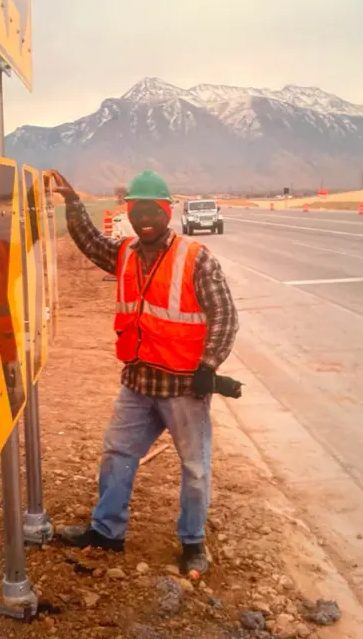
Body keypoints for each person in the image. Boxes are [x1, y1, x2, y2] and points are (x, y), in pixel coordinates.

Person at [52, 169, 239, 576]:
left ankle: (192, 543)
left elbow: (224, 315)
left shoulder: (196, 258)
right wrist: (73, 205)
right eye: (138, 211)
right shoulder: (125, 254)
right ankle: (107, 531)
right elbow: (90, 242)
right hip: (138, 385)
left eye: (153, 210)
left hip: (183, 389)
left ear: (167, 211)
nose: (145, 219)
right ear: (130, 213)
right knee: (117, 454)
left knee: (194, 467)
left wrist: (209, 366)